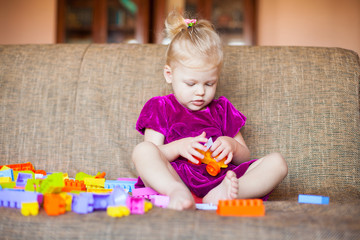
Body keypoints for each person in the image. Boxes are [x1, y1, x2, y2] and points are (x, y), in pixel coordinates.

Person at [132, 11, 288, 210]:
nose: (200, 92)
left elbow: (245, 156)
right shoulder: (160, 107)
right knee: (142, 151)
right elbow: (154, 152)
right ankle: (177, 193)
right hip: (175, 179)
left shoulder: (222, 109)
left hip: (220, 180)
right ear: (169, 74)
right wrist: (178, 148)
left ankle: (228, 194)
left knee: (278, 163)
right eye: (191, 83)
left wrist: (232, 145)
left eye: (209, 83)